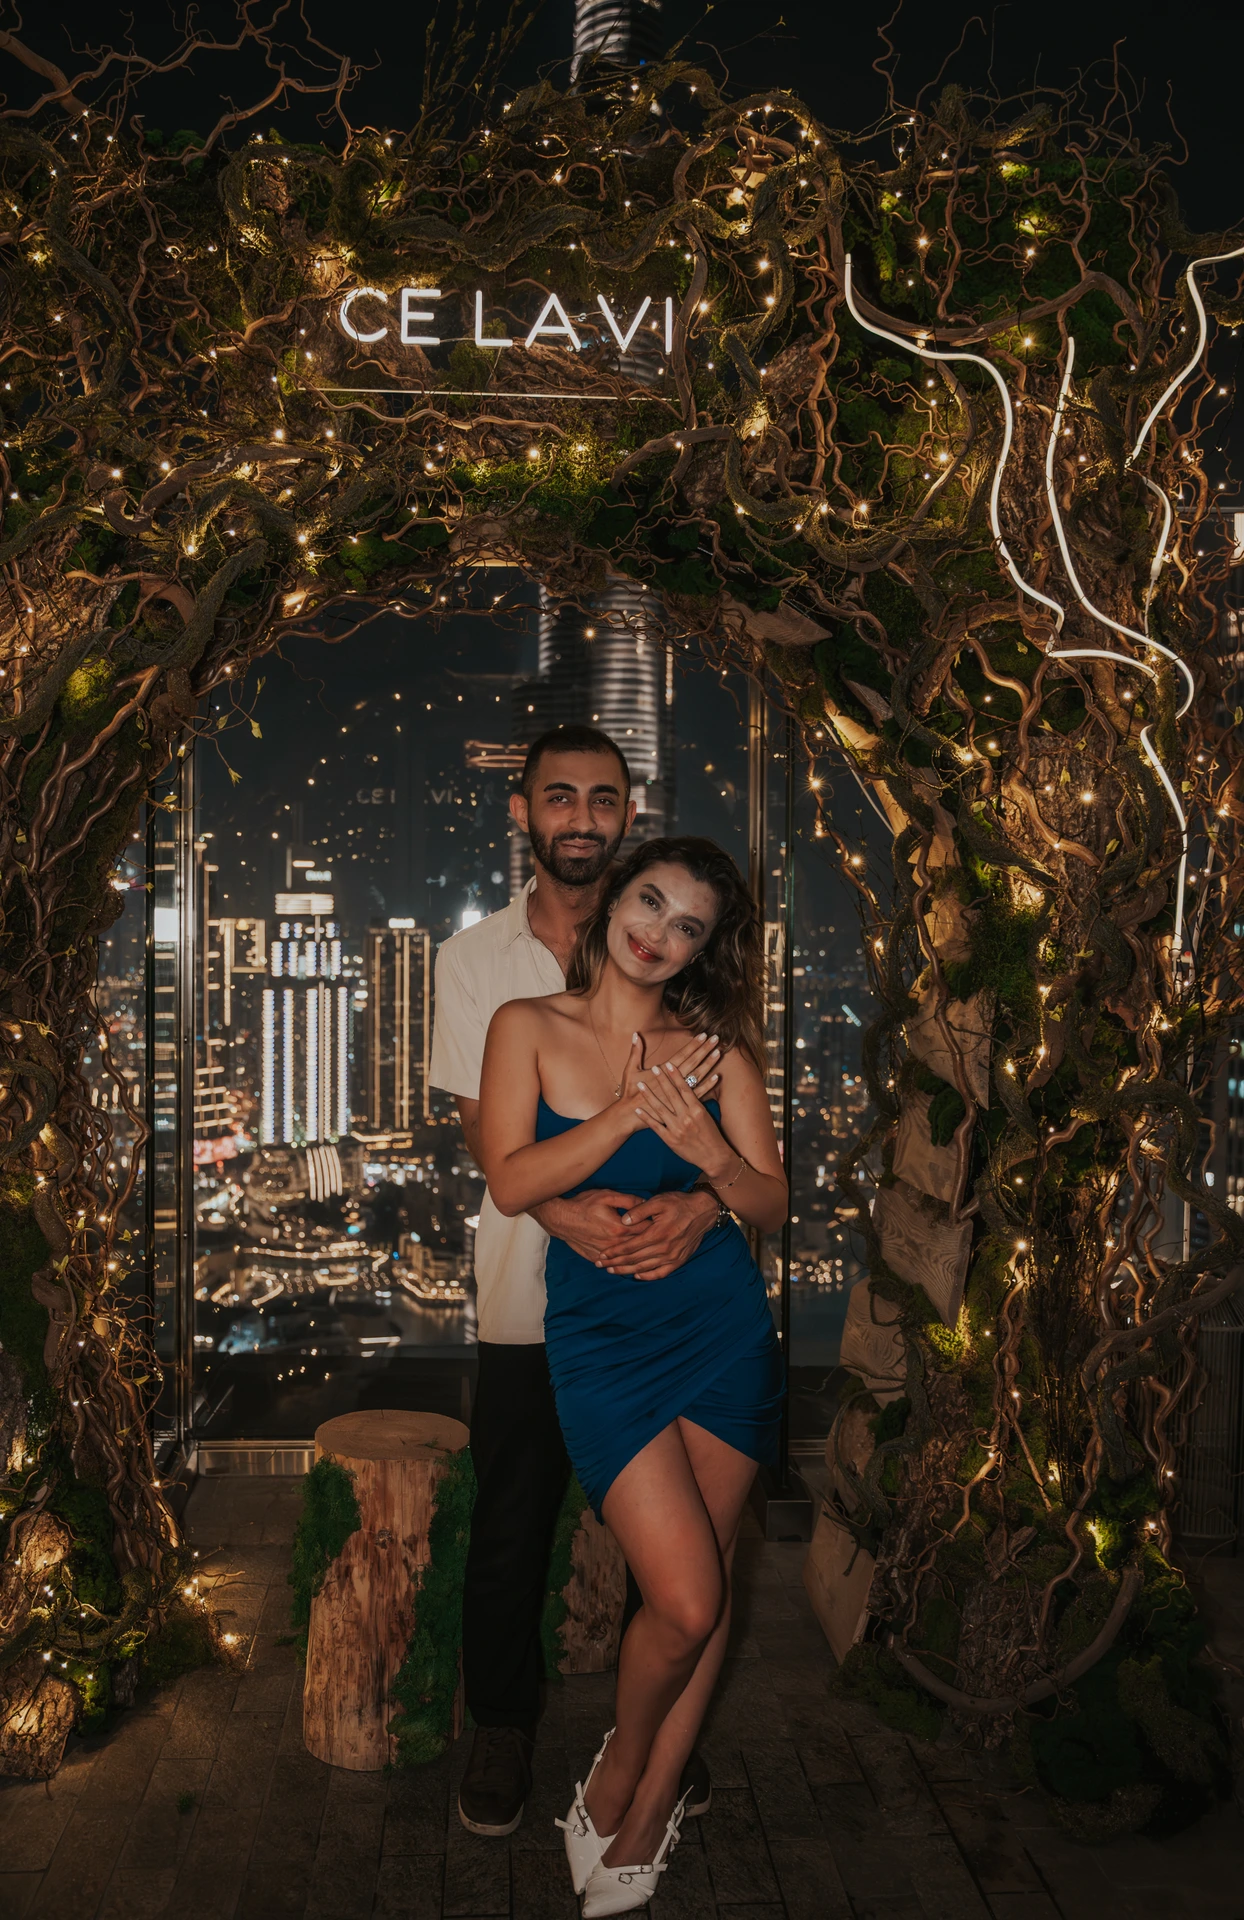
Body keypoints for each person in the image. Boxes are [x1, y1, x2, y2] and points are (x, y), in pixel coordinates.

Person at [477, 836, 786, 1914]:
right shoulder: (526, 1028)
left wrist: (704, 1165)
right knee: (686, 1594)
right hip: (601, 1342)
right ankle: (617, 1762)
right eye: (649, 902)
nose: (657, 933)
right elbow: (513, 1179)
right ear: (614, 901)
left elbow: (769, 1203)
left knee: (704, 1600)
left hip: (717, 1333)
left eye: (688, 925)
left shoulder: (712, 1050)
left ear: (703, 948)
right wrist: (626, 1112)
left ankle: (647, 1801)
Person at [428, 727, 721, 1837]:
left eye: (602, 799)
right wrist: (557, 1212)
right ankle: (500, 1726)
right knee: (511, 1523)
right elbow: (477, 1128)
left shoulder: (663, 940)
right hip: (524, 1297)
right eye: (560, 797)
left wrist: (696, 1208)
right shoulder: (470, 963)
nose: (582, 818)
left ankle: (656, 1741)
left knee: (673, 1540)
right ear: (522, 811)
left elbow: (722, 1122)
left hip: (664, 1293)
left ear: (628, 811)